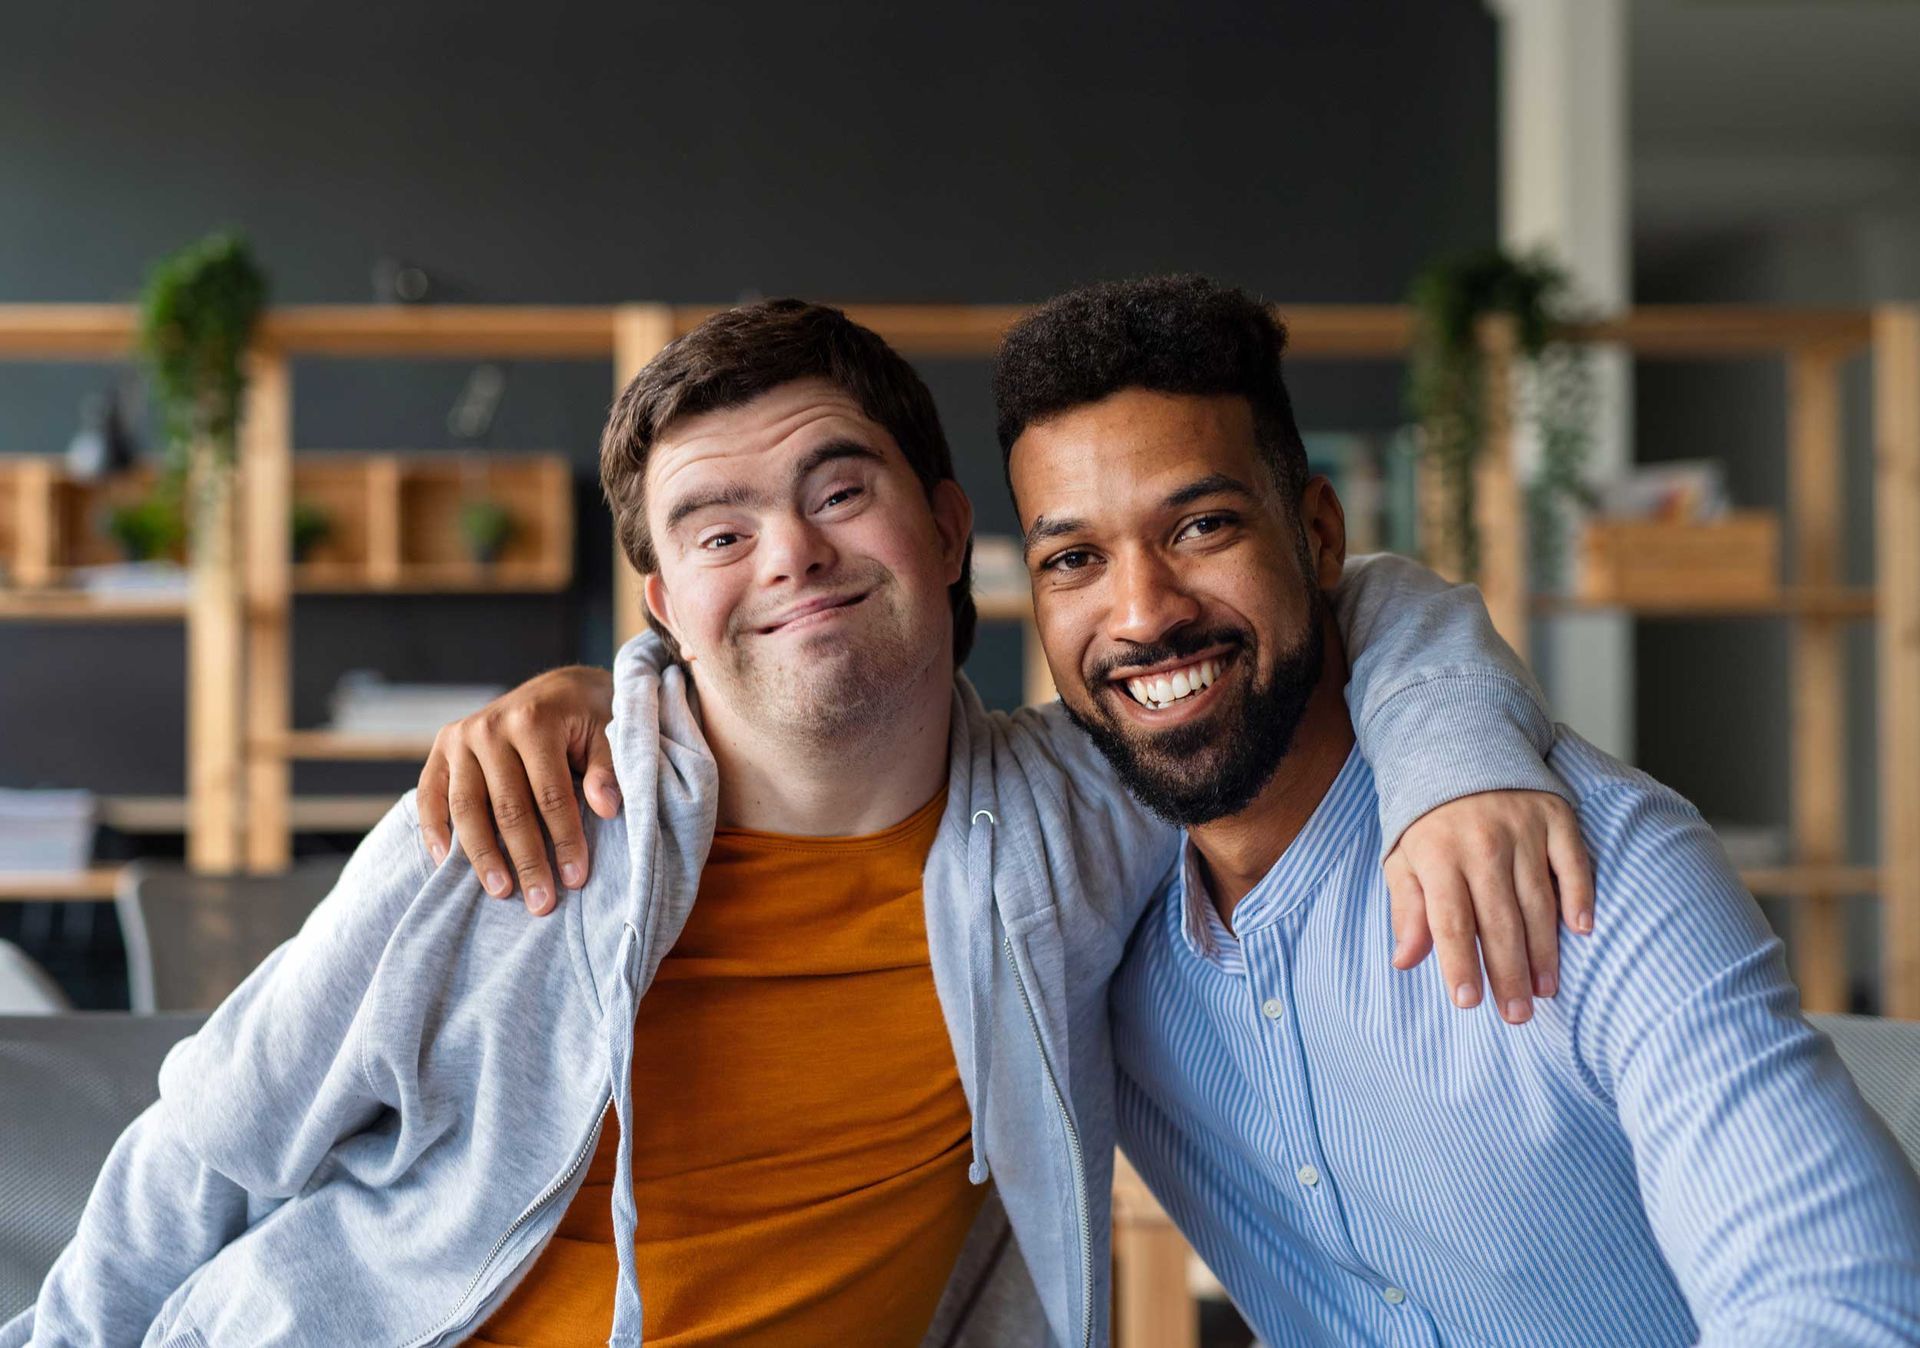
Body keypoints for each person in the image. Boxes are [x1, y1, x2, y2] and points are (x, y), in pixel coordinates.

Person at [5, 295, 1582, 1348]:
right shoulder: (512, 827)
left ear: (952, 529)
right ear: (663, 602)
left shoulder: (1082, 814)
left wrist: (1459, 765)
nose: (791, 557)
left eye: (841, 491)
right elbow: (207, 1146)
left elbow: (1346, 598)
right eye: (717, 525)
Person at [443, 279, 1920, 1347]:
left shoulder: (1597, 870)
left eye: (1202, 526)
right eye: (1077, 559)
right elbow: (779, 675)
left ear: (1318, 532)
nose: (1143, 613)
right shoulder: (1082, 883)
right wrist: (616, 690)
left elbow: (1840, 1308)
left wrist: (1462, 744)